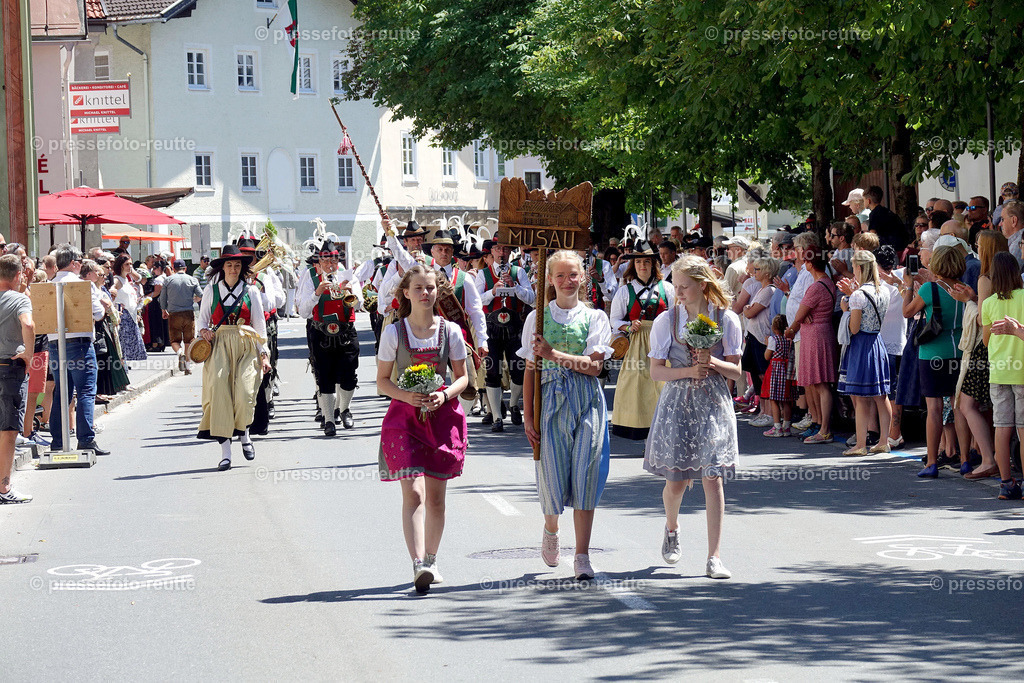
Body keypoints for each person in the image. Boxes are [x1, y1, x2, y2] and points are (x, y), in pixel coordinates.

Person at [645, 255, 741, 579]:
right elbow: (656, 371)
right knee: (677, 483)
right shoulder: (666, 321)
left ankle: (714, 557)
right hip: (678, 402)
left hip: (713, 402)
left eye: (684, 286)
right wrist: (690, 369)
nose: (679, 292)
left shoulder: (725, 318)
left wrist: (711, 362)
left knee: (712, 478)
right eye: (675, 286)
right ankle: (672, 527)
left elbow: (737, 370)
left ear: (702, 284)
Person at [376, 264, 469, 593]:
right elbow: (382, 382)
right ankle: (418, 563)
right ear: (406, 293)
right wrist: (410, 396)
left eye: (430, 288)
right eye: (418, 288)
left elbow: (463, 377)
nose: (425, 293)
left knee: (436, 500)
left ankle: (431, 558)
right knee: (413, 493)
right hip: (404, 418)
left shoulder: (451, 332)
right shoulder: (394, 333)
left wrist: (443, 394)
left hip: (442, 418)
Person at [520, 251, 613, 581]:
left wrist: (554, 353)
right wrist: (528, 417)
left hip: (586, 400)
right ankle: (551, 527)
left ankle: (582, 554)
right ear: (550, 280)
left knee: (586, 474)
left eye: (572, 274)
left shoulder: (595, 318)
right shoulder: (538, 318)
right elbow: (531, 369)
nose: (566, 281)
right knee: (552, 475)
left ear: (583, 277)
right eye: (559, 275)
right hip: (550, 402)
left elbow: (595, 367)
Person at [195, 245, 270, 470]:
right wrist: (204, 332)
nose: (234, 269)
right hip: (219, 346)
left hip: (246, 345)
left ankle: (245, 434)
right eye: (229, 264)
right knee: (219, 394)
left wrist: (264, 355)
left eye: (237, 265)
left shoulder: (252, 291)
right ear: (222, 267)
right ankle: (225, 453)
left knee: (245, 393)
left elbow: (259, 324)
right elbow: (202, 320)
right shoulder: (211, 289)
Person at [903, 245, 966, 478]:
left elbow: (907, 312)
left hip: (932, 354)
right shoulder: (965, 289)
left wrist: (908, 286)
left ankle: (931, 462)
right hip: (958, 353)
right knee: (958, 406)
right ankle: (965, 458)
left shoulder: (930, 288)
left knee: (934, 409)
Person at [46, 245, 109, 456]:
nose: (81, 265)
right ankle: (86, 439)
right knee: (85, 391)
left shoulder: (48, 284)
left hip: (55, 342)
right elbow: (99, 314)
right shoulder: (84, 285)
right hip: (79, 342)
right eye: (80, 261)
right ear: (73, 263)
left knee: (61, 393)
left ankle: (57, 441)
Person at [608, 241, 673, 439]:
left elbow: (677, 313)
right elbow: (614, 320)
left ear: (653, 264)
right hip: (637, 343)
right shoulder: (624, 291)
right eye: (638, 263)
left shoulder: (667, 288)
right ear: (633, 266)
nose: (642, 266)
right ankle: (642, 430)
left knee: (663, 385)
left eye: (646, 262)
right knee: (637, 386)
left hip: (663, 341)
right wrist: (628, 326)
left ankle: (663, 430)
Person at [297, 240, 362, 435]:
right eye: (325, 261)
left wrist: (350, 292)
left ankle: (344, 409)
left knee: (349, 375)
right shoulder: (310, 278)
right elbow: (302, 311)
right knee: (324, 376)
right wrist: (317, 293)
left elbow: (359, 305)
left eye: (333, 261)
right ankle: (328, 420)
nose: (330, 265)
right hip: (321, 331)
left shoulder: (348, 276)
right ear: (318, 262)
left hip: (346, 331)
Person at [959, 231, 1005, 480]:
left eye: (978, 245)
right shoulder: (1008, 274)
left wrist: (969, 299)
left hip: (985, 346)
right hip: (1005, 345)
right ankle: (995, 456)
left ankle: (989, 458)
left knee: (966, 404)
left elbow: (982, 317)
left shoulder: (985, 278)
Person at [476, 239, 535, 432]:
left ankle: (514, 403)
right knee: (492, 370)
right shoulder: (483, 274)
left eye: (506, 248)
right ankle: (497, 417)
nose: (502, 252)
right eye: (498, 248)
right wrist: (493, 291)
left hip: (515, 325)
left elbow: (532, 299)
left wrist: (515, 286)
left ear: (510, 251)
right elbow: (477, 301)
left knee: (519, 369)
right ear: (492, 251)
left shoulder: (519, 272)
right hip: (491, 326)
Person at [837, 251, 892, 455]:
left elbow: (854, 328)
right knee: (881, 395)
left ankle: (861, 444)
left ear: (859, 268)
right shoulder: (884, 290)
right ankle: (884, 441)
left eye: (853, 267)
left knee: (860, 397)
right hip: (878, 342)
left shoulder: (858, 295)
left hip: (861, 345)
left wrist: (845, 309)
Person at [785, 238, 837, 444]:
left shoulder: (816, 286)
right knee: (816, 383)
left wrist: (792, 328)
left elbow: (800, 313)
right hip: (818, 333)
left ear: (809, 264)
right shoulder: (827, 282)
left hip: (815, 336)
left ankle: (824, 428)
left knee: (821, 384)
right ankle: (820, 425)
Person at [981, 252, 1024, 500]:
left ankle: (1006, 483)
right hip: (1021, 370)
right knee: (1023, 429)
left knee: (1002, 427)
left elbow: (986, 340)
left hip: (999, 370)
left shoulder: (988, 303)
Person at [0, 255, 35, 504]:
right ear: (16, 275)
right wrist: (29, 355)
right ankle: (4, 487)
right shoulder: (19, 299)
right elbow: (29, 325)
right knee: (9, 430)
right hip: (9, 368)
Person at [159, 259, 203, 375]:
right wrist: (195, 300)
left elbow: (162, 298)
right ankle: (188, 367)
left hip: (174, 314)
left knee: (175, 340)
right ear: (185, 268)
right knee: (189, 340)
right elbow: (201, 294)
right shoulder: (192, 279)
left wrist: (164, 310)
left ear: (173, 269)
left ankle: (180, 353)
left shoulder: (168, 280)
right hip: (188, 313)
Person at [760, 315, 795, 436]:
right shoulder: (789, 340)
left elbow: (767, 356)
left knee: (773, 399)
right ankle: (786, 426)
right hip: (786, 369)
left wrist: (766, 345)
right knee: (787, 399)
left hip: (775, 369)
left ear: (774, 328)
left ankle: (777, 426)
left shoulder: (773, 340)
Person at [108, 255, 147, 362]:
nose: (130, 266)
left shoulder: (126, 280)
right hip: (123, 318)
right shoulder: (117, 280)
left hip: (131, 316)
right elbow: (111, 291)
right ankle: (123, 369)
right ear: (120, 266)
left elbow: (141, 278)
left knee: (126, 350)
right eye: (127, 264)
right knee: (123, 349)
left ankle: (124, 368)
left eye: (131, 264)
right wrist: (116, 305)